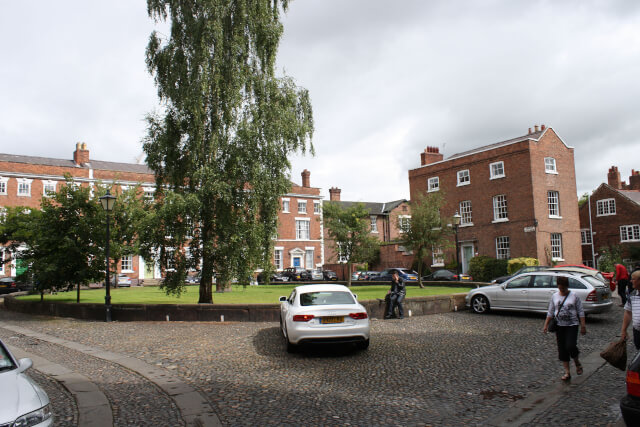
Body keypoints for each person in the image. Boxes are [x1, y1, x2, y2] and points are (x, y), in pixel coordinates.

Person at [543, 275, 587, 381]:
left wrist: (583, 326)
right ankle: (567, 372)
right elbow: (550, 311)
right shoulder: (555, 296)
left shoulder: (574, 296)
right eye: (560, 287)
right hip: (559, 326)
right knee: (562, 349)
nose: (562, 289)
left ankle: (576, 362)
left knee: (570, 346)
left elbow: (580, 311)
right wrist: (545, 325)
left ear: (567, 286)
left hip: (572, 325)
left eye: (563, 288)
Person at [620, 270, 640, 349]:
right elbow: (628, 312)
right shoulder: (632, 295)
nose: (631, 281)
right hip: (637, 332)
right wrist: (624, 330)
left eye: (633, 279)